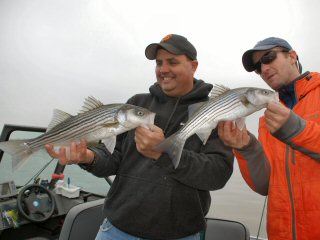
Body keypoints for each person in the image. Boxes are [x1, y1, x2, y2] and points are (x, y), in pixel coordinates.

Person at [45, 34, 234, 240]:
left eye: (172, 62)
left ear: (193, 66)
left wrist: (162, 154)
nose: (163, 70)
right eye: (159, 63)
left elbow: (217, 174)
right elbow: (113, 159)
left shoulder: (214, 111)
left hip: (178, 235)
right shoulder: (135, 105)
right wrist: (89, 157)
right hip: (116, 230)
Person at [218, 37, 320, 240]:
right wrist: (247, 148)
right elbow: (264, 185)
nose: (264, 68)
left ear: (292, 56)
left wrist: (295, 129)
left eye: (269, 57)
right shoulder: (268, 119)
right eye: (257, 67)